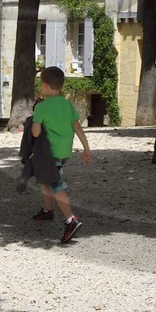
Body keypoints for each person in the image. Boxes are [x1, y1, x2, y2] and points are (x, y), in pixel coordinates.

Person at [31, 65, 93, 243]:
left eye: (41, 85)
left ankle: (70, 220)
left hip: (50, 153)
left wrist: (36, 119)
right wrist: (87, 149)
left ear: (45, 84)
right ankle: (47, 211)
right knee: (45, 178)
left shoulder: (41, 107)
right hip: (65, 152)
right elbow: (78, 127)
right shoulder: (67, 105)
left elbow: (35, 133)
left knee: (57, 185)